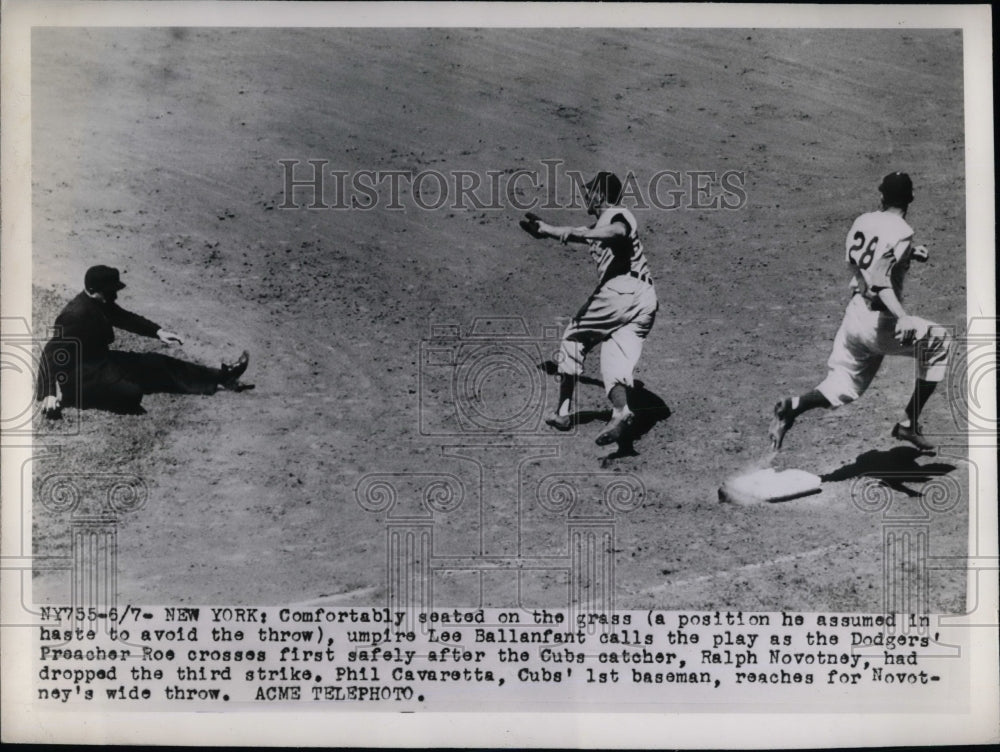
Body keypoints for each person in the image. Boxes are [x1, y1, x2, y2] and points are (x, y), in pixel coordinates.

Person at [769, 172, 951, 452]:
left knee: (844, 384)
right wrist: (901, 316)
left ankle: (794, 406)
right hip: (881, 324)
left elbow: (865, 260)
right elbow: (880, 279)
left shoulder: (863, 221)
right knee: (940, 342)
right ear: (911, 198)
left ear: (881, 196)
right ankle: (908, 423)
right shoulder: (902, 232)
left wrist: (910, 253)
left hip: (854, 316)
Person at [519, 172, 658, 446]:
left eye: (590, 191)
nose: (586, 196)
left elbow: (617, 231)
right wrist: (546, 229)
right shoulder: (599, 225)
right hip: (644, 302)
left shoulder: (617, 214)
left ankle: (561, 413)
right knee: (614, 358)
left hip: (622, 291)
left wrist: (580, 232)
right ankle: (621, 413)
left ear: (600, 194)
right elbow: (580, 234)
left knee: (573, 337)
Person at [36, 265, 250, 417]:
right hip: (80, 375)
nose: (115, 297)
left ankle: (223, 377)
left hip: (102, 361)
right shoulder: (75, 314)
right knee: (132, 395)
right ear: (92, 291)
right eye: (110, 293)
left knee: (157, 362)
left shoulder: (99, 302)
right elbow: (50, 354)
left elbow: (125, 318)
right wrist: (49, 393)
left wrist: (158, 332)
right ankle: (79, 396)